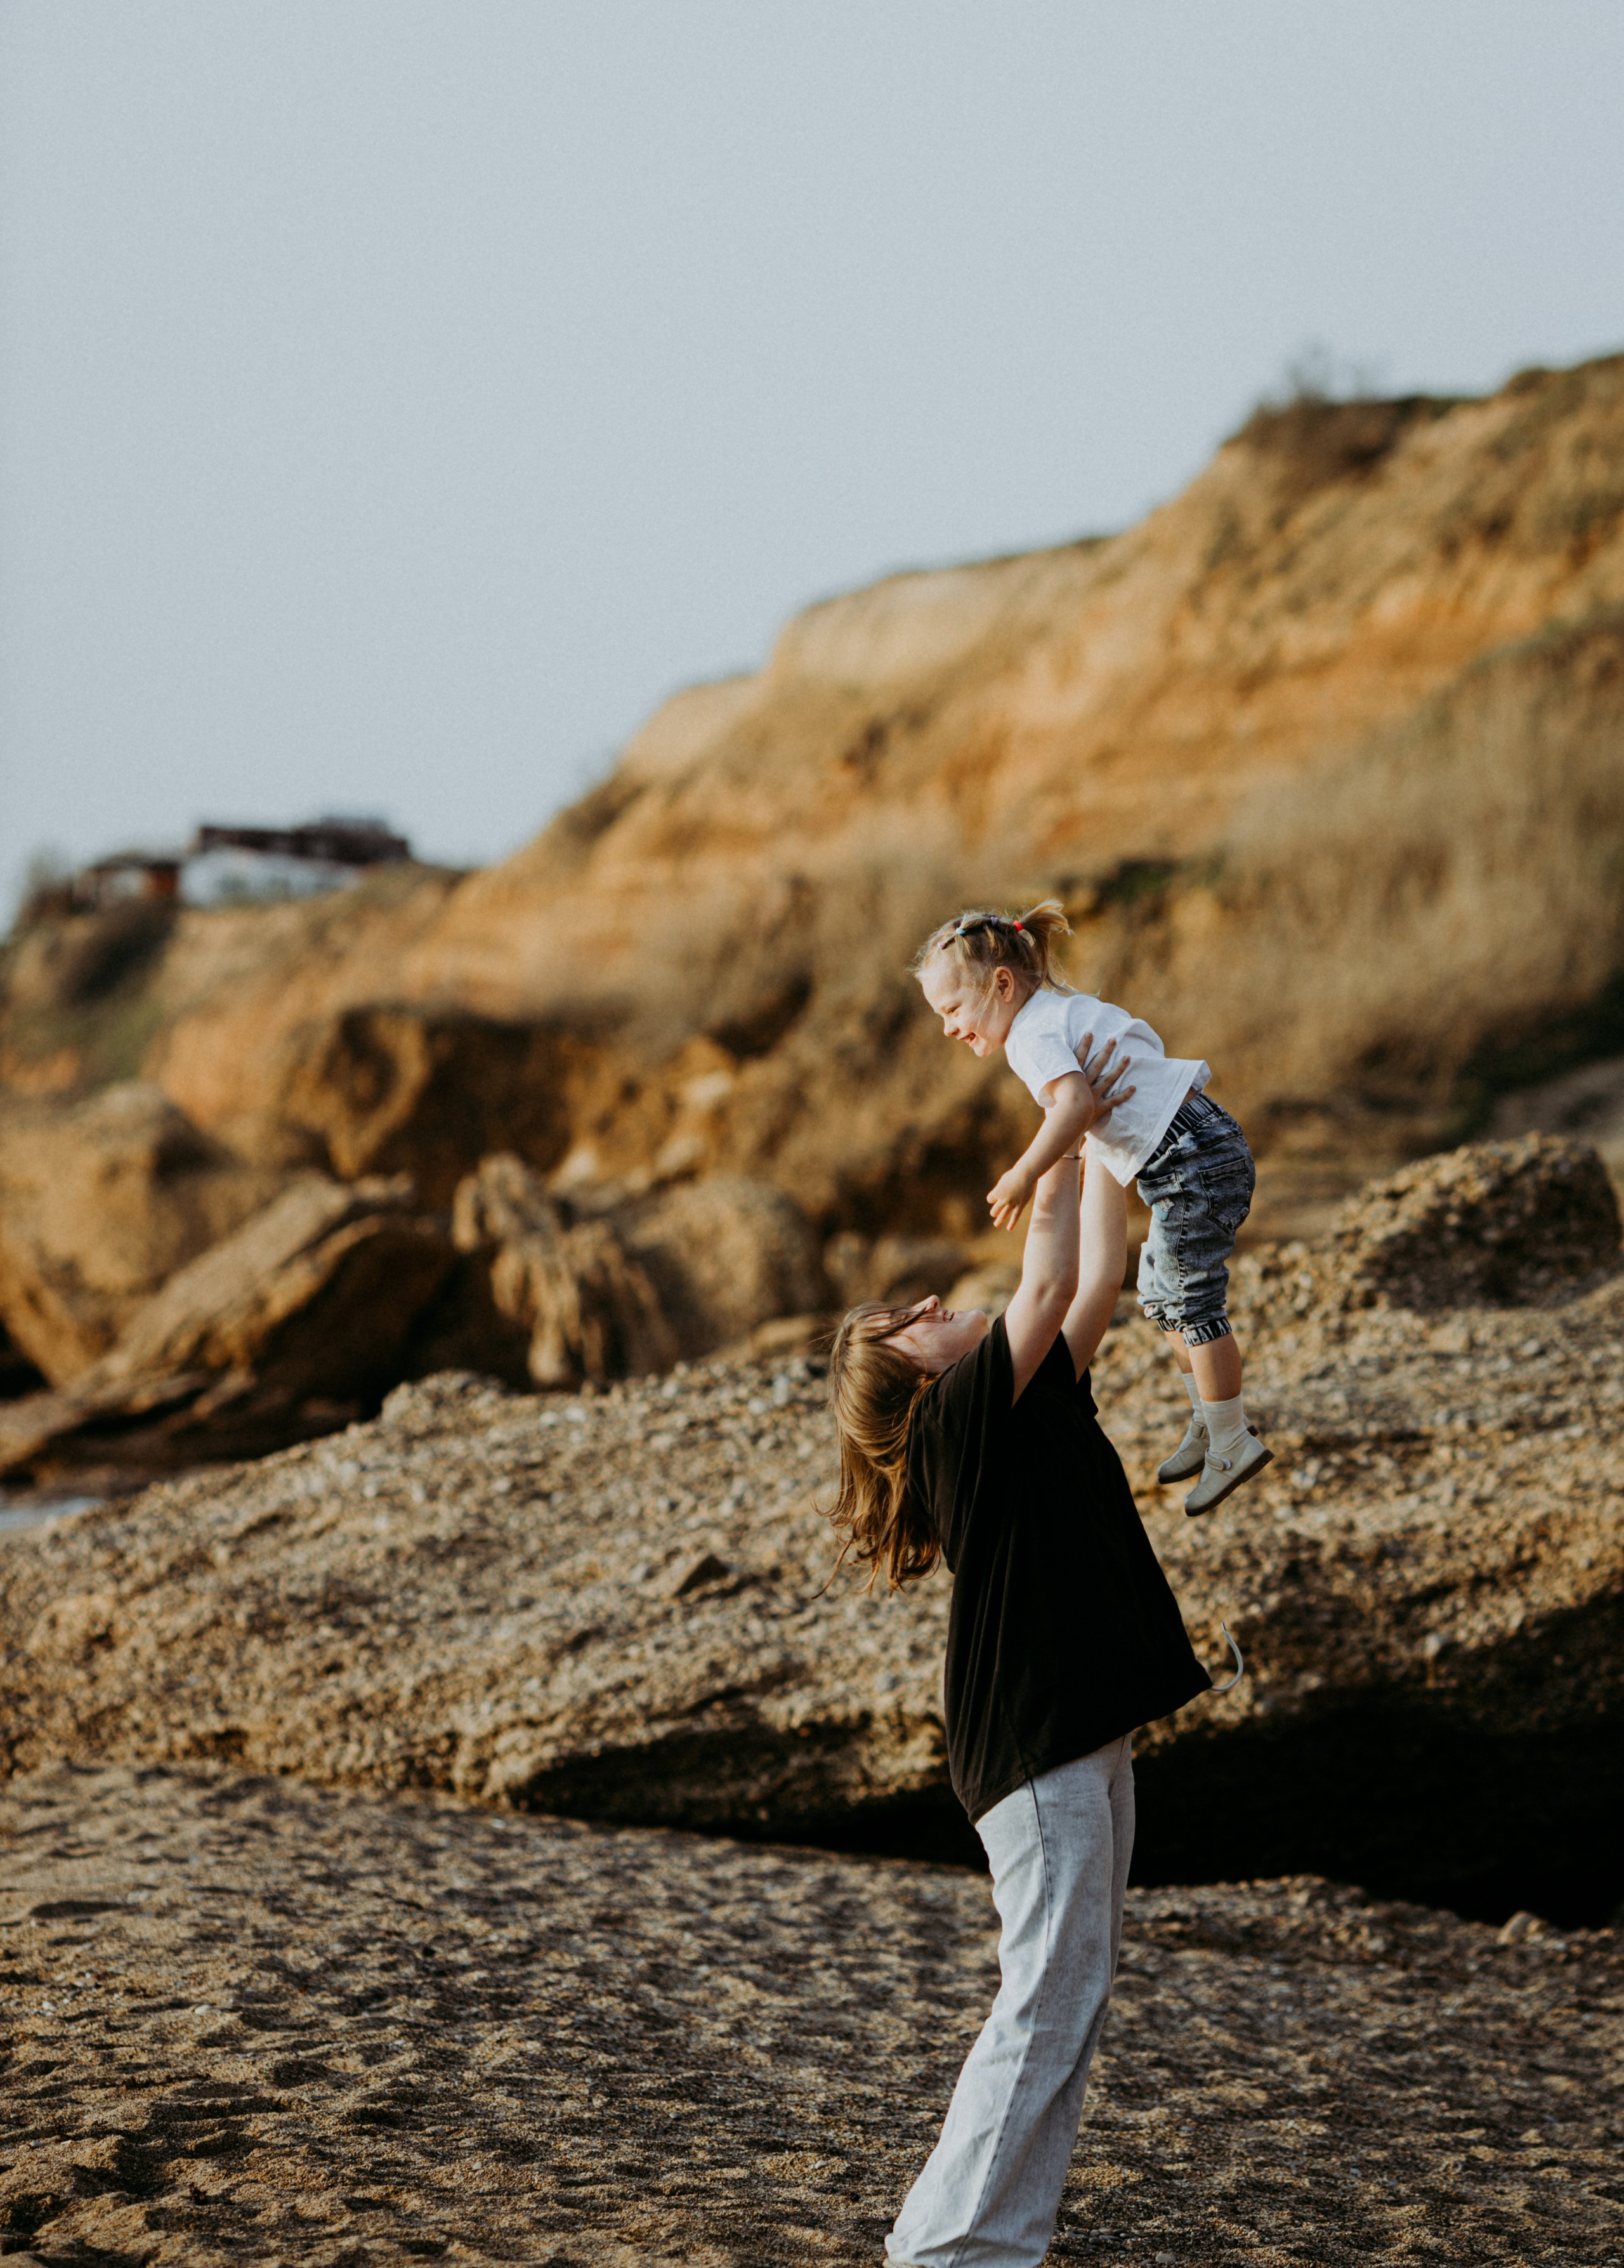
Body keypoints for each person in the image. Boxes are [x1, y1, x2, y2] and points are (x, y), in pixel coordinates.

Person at [828, 1036, 1215, 2268]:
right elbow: (1041, 1283)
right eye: (912, 1326)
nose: (933, 1309)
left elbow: (1092, 1278)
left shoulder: (1019, 1399)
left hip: (1071, 1733)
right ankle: (947, 2249)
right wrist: (1057, 1131)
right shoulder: (949, 1425)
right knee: (1047, 1992)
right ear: (913, 1384)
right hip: (1033, 1747)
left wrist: (1107, 1147)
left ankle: (999, 2239)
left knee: (1070, 1990)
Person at [914, 898, 1269, 1517]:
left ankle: (1232, 1438)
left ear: (1002, 986)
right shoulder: (1062, 1009)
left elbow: (1074, 1107)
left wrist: (1025, 1173)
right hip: (1196, 1144)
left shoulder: (1029, 1038)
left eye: (953, 1009)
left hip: (1189, 1158)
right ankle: (1208, 1417)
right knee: (1158, 1293)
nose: (948, 1027)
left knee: (1192, 1303)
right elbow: (1136, 1054)